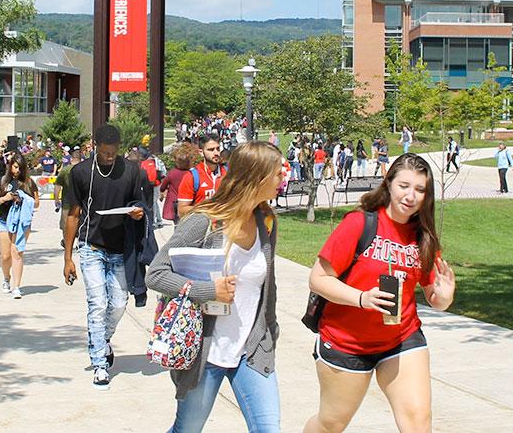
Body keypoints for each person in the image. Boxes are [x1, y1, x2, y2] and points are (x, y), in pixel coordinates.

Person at [303, 153, 456, 433]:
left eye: (420, 189)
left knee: (418, 422)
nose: (411, 195)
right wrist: (363, 299)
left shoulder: (423, 236)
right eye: (404, 186)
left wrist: (444, 296)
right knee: (331, 424)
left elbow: (436, 298)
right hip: (347, 343)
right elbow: (318, 279)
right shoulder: (360, 224)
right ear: (389, 184)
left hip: (401, 338)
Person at [147, 141, 286, 432]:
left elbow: (267, 289)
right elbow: (156, 274)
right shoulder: (204, 221)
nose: (283, 178)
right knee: (187, 429)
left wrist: (269, 336)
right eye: (277, 173)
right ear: (256, 176)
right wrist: (208, 291)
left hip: (251, 349)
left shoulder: (267, 222)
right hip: (205, 353)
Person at [62, 124, 151, 389]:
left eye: (114, 152)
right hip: (91, 247)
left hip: (121, 249)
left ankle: (103, 339)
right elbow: (73, 214)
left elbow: (140, 204)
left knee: (119, 303)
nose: (110, 157)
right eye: (105, 152)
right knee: (98, 304)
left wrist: (137, 211)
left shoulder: (132, 171)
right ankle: (100, 364)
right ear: (95, 146)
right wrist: (68, 258)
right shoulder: (80, 173)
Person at [0, 152, 39, 299]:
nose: (17, 170)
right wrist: (5, 198)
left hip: (22, 222)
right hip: (5, 220)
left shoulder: (29, 183)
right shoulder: (2, 181)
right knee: (6, 255)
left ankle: (16, 286)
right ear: (10, 166)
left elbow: (37, 203)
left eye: (20, 168)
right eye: (15, 167)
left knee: (17, 252)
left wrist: (25, 199)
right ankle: (6, 278)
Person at [178, 136, 226, 219]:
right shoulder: (192, 176)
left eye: (218, 149)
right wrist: (208, 209)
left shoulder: (228, 173)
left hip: (224, 227)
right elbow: (181, 210)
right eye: (211, 150)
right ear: (201, 152)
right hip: (202, 227)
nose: (216, 153)